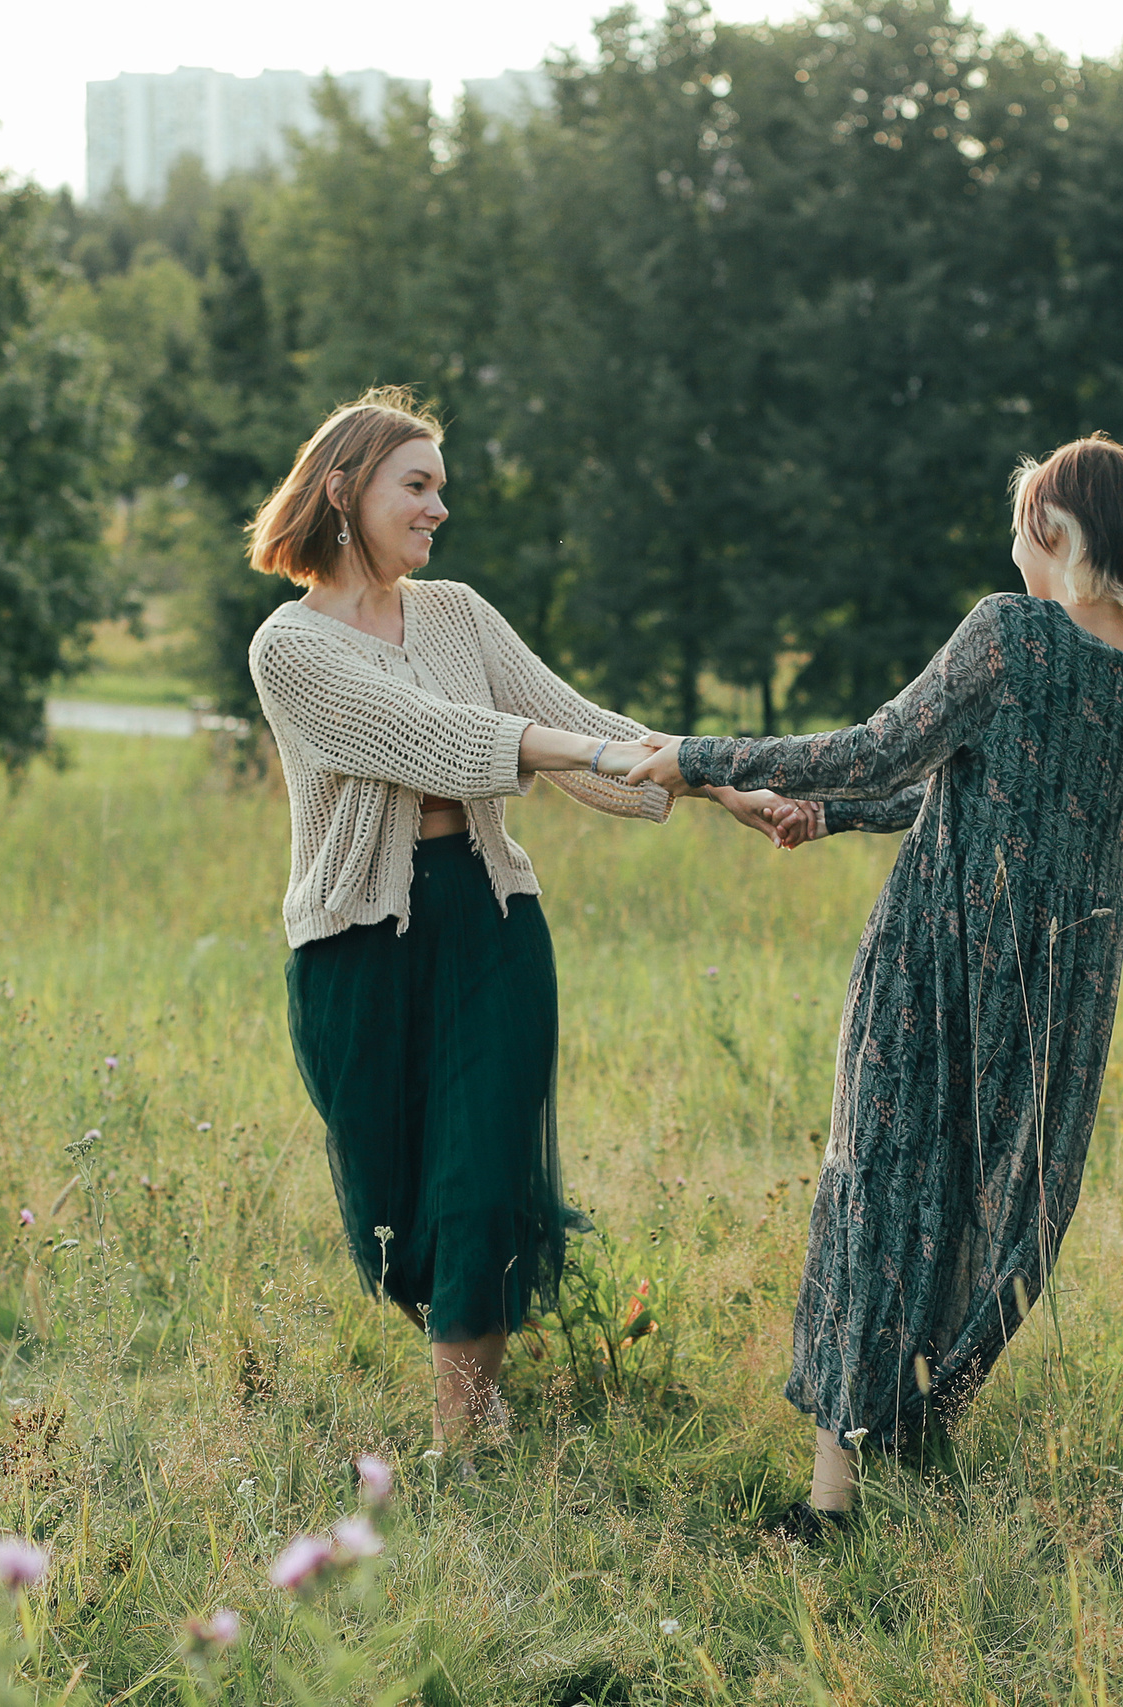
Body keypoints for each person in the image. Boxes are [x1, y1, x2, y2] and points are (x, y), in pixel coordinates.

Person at [627, 434, 1123, 1537]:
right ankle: (930, 1417)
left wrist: (703, 758)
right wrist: (824, 816)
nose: (1013, 545)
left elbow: (881, 747)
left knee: (878, 1179)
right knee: (1003, 1187)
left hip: (940, 953)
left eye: (1023, 523)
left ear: (1053, 531)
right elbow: (986, 791)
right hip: (1064, 972)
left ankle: (832, 1498)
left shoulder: (1008, 632)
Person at [245, 387, 787, 1450]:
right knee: (397, 1202)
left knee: (482, 1174)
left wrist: (728, 782)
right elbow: (428, 735)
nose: (440, 508)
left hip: (489, 924)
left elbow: (583, 718)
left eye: (442, 489)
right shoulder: (287, 648)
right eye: (420, 485)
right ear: (344, 490)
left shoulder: (457, 613)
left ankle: (465, 1430)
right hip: (359, 947)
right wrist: (570, 751)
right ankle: (465, 1375)